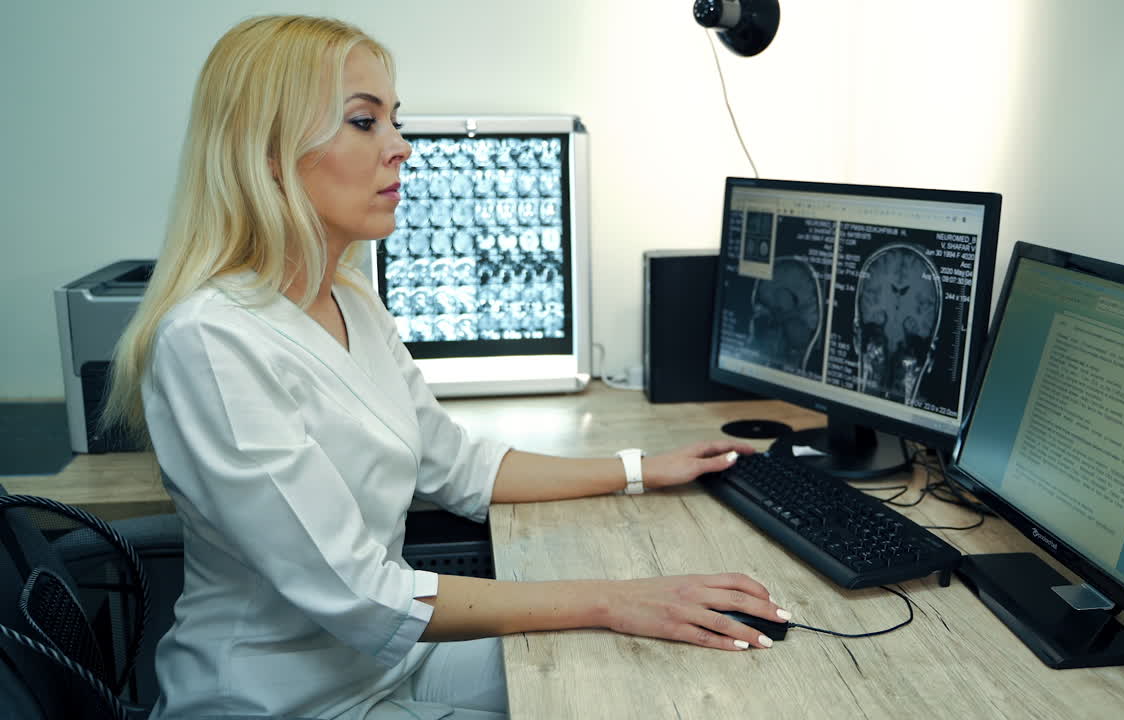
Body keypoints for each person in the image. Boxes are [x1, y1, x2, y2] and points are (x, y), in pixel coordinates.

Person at [102, 15, 789, 720]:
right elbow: (362, 593)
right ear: (269, 152)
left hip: (385, 663)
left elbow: (458, 466)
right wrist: (616, 597)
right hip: (282, 700)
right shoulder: (211, 341)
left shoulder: (349, 300)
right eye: (364, 122)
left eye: (394, 121)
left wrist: (642, 468)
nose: (402, 147)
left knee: (654, 673)